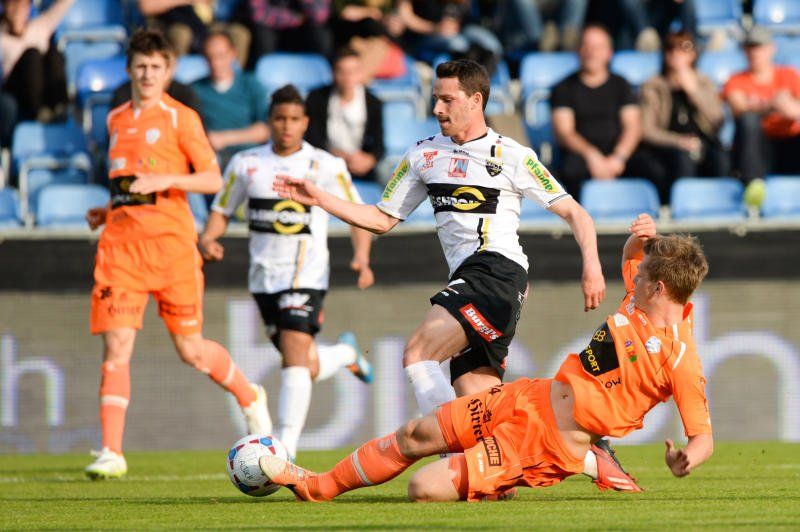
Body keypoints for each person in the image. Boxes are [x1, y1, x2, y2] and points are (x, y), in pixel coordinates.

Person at [273, 59, 643, 490]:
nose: (437, 108)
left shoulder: (511, 155)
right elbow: (380, 219)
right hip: (475, 279)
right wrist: (320, 198)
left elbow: (576, 213)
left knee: (419, 354)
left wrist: (592, 267)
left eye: (447, 99)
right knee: (481, 406)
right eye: (435, 99)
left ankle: (452, 454)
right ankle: (589, 458)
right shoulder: (422, 155)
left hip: (497, 271)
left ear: (475, 100)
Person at [259, 213, 714, 502]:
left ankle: (517, 476)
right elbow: (633, 256)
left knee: (423, 488)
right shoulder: (642, 298)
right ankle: (314, 486)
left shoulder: (681, 358)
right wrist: (642, 238)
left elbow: (703, 437)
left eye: (642, 276)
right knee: (416, 433)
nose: (632, 279)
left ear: (659, 288)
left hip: (548, 443)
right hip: (531, 397)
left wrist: (686, 460)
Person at [83, 29, 270, 480]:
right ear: (129, 70)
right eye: (141, 67)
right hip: (121, 250)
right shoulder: (115, 119)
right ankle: (111, 451)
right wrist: (108, 208)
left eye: (156, 67)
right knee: (116, 347)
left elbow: (211, 179)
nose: (147, 74)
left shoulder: (181, 118)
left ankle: (249, 396)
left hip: (172, 249)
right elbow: (130, 183)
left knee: (191, 350)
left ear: (168, 72)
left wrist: (167, 179)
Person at [199, 84, 376, 460]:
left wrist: (362, 257)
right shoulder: (245, 163)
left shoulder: (326, 165)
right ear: (270, 121)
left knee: (294, 355)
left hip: (306, 276)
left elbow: (357, 212)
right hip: (263, 279)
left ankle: (285, 450)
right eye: (280, 118)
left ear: (305, 122)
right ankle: (345, 354)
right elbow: (222, 210)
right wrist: (208, 239)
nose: (287, 126)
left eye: (294, 119)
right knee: (304, 363)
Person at [551, 23, 646, 198]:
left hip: (618, 155)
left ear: (609, 53)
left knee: (652, 168)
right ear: (578, 50)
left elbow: (633, 127)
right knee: (571, 170)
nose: (591, 52)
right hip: (581, 155)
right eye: (586, 45)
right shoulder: (563, 88)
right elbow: (564, 133)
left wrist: (618, 157)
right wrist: (592, 156)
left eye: (598, 47)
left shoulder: (621, 85)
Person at [640, 31, 727, 203]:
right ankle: (685, 206)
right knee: (683, 158)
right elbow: (648, 130)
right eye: (670, 48)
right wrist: (679, 141)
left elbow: (718, 119)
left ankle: (722, 203)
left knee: (721, 159)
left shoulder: (704, 82)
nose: (676, 53)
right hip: (669, 146)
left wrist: (694, 91)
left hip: (703, 142)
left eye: (684, 48)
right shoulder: (653, 86)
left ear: (693, 54)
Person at [722, 27, 800, 194]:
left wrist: (791, 109)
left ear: (771, 48)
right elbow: (738, 108)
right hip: (759, 149)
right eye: (750, 47)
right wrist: (773, 105)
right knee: (748, 121)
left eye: (759, 47)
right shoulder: (736, 80)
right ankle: (753, 184)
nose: (754, 53)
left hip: (789, 143)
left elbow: (795, 109)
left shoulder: (789, 75)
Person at [192, 30, 270, 171]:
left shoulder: (250, 84)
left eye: (220, 56)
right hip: (211, 159)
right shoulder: (195, 89)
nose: (215, 63)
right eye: (210, 57)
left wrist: (224, 138)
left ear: (233, 54)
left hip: (249, 158)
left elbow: (265, 130)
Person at [305, 48, 384, 182]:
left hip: (361, 167)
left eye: (353, 71)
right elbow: (313, 139)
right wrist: (340, 157)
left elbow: (379, 144)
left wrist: (369, 160)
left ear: (361, 73)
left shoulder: (373, 102)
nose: (348, 77)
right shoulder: (316, 98)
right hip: (325, 162)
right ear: (333, 73)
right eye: (342, 72)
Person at [0, 0, 71, 121]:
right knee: (32, 55)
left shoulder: (40, 27)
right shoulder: (2, 38)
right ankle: (37, 111)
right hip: (18, 92)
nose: (17, 12)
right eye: (13, 7)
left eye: (22, 6)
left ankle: (59, 107)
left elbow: (62, 6)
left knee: (54, 55)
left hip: (44, 88)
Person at [136, 0, 252, 67]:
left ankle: (234, 81)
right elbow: (146, 6)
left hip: (207, 23)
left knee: (239, 33)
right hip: (172, 23)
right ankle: (175, 79)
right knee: (181, 33)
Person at [245, 0, 333, 66]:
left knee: (321, 34)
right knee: (263, 35)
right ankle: (260, 78)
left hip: (302, 33)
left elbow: (320, 16)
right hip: (272, 31)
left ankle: (325, 77)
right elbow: (258, 14)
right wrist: (293, 18)